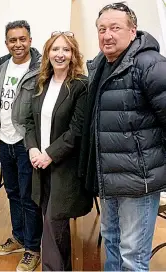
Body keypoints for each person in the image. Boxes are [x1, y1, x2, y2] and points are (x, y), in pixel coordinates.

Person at [78, 2, 166, 271]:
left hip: (138, 183)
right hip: (109, 178)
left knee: (133, 256)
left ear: (132, 30)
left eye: (115, 27)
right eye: (102, 29)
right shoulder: (101, 65)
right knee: (113, 245)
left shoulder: (150, 64)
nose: (107, 35)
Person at [25, 31, 93, 271]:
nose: (60, 54)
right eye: (55, 49)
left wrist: (49, 155)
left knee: (54, 221)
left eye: (66, 49)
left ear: (73, 54)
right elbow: (29, 121)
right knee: (51, 221)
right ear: (47, 54)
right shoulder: (41, 83)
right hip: (39, 163)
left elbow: (76, 131)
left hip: (64, 166)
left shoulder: (80, 86)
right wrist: (32, 148)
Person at [0, 20, 43, 272]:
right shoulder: (1, 65)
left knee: (29, 197)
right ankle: (19, 237)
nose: (17, 44)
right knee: (12, 193)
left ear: (30, 40)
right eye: (12, 40)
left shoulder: (41, 67)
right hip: (5, 140)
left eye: (22, 39)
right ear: (6, 42)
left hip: (26, 142)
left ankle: (33, 247)